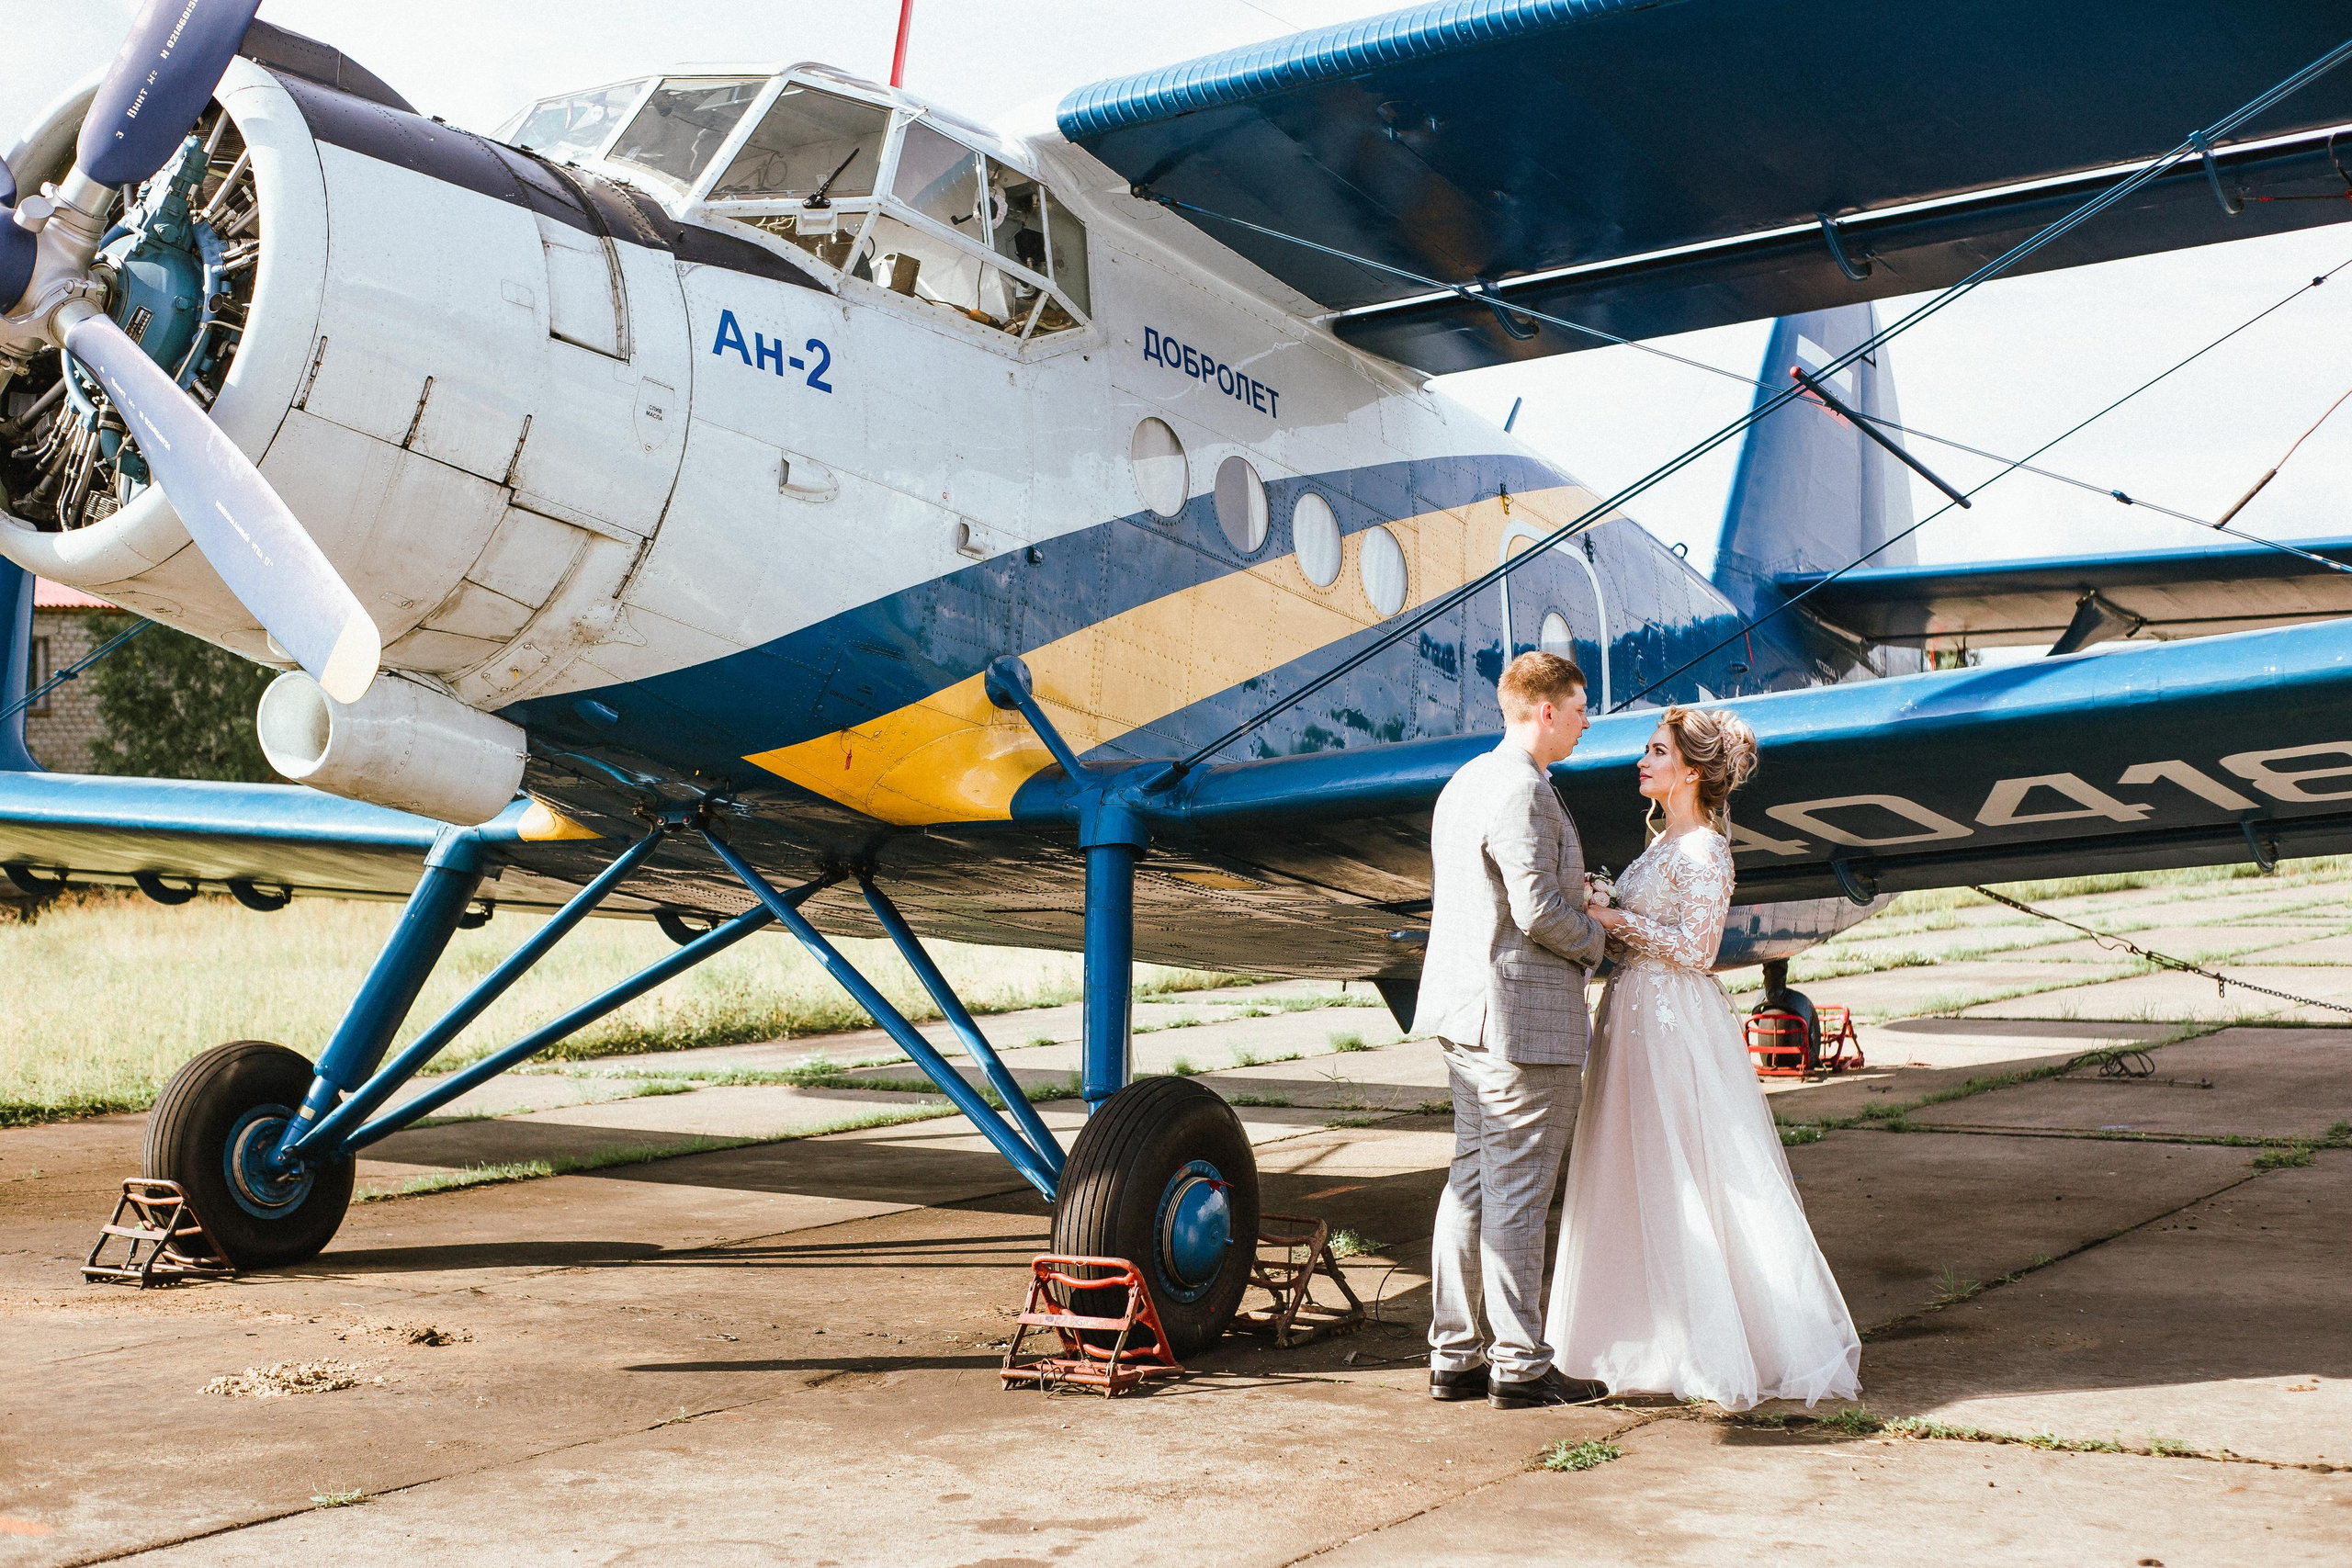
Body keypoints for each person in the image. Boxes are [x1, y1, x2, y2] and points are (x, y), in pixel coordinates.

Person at [1550, 706, 1861, 1411]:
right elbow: (1651, 931)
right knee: (1628, 1168)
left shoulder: (1704, 851)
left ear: (1691, 771)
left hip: (1671, 1024)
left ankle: (1711, 1341)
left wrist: (1612, 915)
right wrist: (1608, 913)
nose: (1643, 760)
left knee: (1686, 1168)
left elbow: (1697, 947)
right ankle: (1638, 1335)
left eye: (1656, 751)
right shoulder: (1662, 843)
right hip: (1632, 1014)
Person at [1418, 651, 1611, 1410]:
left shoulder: (1466, 781)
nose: (1587, 722)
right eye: (1580, 707)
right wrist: (1598, 938)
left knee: (1470, 1182)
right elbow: (1536, 910)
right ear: (1545, 710)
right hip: (1519, 1025)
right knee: (1519, 1195)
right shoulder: (1525, 790)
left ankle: (1454, 1354)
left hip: (1466, 1016)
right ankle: (1522, 1365)